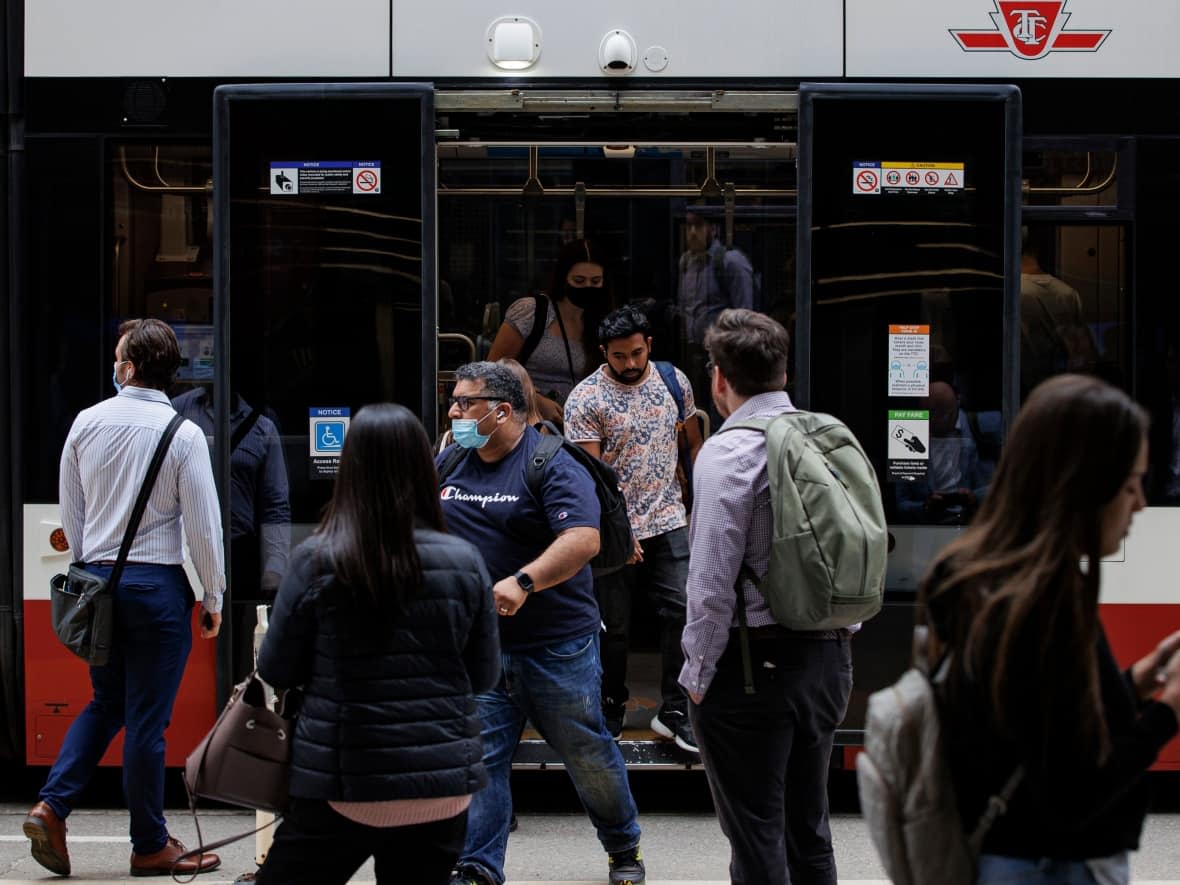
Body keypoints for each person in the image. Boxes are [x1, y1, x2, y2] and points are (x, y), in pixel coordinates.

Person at [919, 374, 1180, 885]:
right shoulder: (1040, 601)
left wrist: (1136, 682)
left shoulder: (987, 579)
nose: (1141, 506)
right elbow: (1075, 789)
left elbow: (1043, 732)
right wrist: (1169, 712)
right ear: (1081, 483)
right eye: (1130, 485)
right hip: (1051, 865)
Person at [252, 403, 499, 885]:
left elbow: (277, 668)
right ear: (424, 469)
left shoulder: (316, 559)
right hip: (442, 785)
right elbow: (484, 675)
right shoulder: (466, 562)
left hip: (343, 780)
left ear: (352, 470)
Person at [24, 319, 225, 878]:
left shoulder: (87, 422)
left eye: (118, 358)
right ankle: (149, 845)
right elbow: (204, 528)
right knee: (145, 722)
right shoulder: (182, 434)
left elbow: (73, 514)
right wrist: (215, 595)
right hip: (160, 590)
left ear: (129, 368)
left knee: (105, 702)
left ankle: (51, 806)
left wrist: (92, 568)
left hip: (101, 585)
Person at [438, 361, 644, 885]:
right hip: (480, 645)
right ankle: (479, 866)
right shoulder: (450, 462)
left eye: (467, 403)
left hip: (556, 646)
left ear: (502, 410)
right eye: (454, 402)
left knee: (586, 751)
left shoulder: (551, 463)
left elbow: (583, 539)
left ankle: (623, 846)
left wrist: (523, 582)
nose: (455, 411)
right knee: (482, 756)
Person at [681, 308, 852, 885]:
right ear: (782, 371)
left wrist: (697, 675)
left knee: (757, 839)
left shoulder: (725, 455)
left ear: (720, 379)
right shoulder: (826, 437)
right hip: (828, 660)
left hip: (750, 668)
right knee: (810, 831)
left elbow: (709, 583)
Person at [563, 305, 703, 749]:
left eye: (637, 353)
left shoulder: (672, 380)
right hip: (613, 527)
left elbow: (692, 444)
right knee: (614, 625)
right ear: (604, 352)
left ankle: (677, 707)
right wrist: (620, 534)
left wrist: (699, 502)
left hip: (669, 518)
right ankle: (610, 704)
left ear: (649, 347)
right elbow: (589, 477)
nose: (630, 363)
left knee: (681, 609)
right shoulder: (586, 399)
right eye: (620, 356)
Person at [172, 386, 291, 681]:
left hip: (240, 552)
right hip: (181, 549)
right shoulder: (178, 411)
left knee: (240, 652)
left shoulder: (263, 423)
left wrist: (275, 565)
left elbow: (275, 504)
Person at [487, 238, 613, 425]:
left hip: (581, 425)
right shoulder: (532, 312)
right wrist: (534, 400)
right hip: (528, 422)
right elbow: (492, 371)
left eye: (595, 281)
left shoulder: (603, 321)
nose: (587, 287)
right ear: (564, 278)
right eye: (579, 280)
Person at [677, 205, 755, 427]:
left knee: (721, 417)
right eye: (689, 226)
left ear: (713, 228)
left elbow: (745, 313)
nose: (692, 232)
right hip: (693, 353)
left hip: (722, 355)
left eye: (698, 226)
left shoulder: (730, 262)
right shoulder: (686, 262)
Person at [1021, 227, 1098, 395]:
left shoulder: (1011, 293)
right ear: (1036, 250)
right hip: (1058, 389)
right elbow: (1082, 353)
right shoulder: (1067, 293)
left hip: (1024, 389)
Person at [895, 380, 983, 523]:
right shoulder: (908, 436)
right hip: (928, 527)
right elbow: (901, 503)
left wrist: (975, 498)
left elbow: (993, 489)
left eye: (954, 412)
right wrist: (925, 506)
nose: (954, 419)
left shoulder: (973, 428)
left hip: (967, 523)